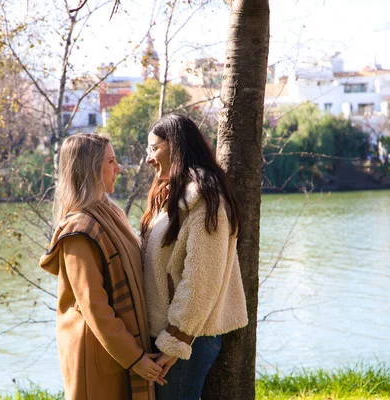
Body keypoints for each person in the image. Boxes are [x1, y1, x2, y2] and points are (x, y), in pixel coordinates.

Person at [40, 133, 161, 400]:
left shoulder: (110, 213)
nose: (118, 168)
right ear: (90, 169)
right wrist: (135, 357)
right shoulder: (78, 230)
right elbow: (94, 306)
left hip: (117, 350)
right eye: (111, 161)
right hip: (95, 357)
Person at [140, 114, 248, 400]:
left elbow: (202, 278)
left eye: (153, 148)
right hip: (172, 334)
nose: (148, 159)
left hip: (190, 337)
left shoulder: (205, 200)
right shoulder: (170, 196)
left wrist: (176, 340)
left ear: (175, 146)